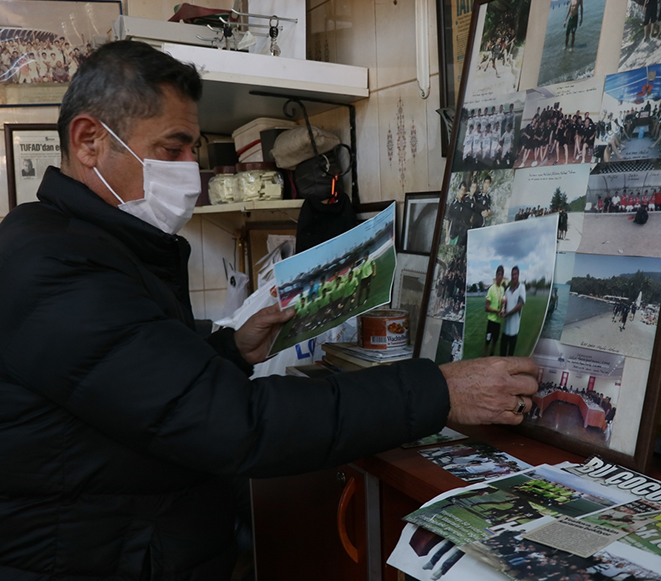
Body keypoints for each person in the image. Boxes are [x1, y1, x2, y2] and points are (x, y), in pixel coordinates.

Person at [0, 41, 540, 580]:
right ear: (90, 141)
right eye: (173, 149)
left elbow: (141, 388)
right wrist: (439, 391)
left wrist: (228, 351)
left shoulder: (87, 244)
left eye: (194, 149)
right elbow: (236, 425)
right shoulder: (56, 265)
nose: (191, 171)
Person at [501, 266, 527, 357]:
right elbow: (504, 305)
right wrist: (502, 311)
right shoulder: (507, 290)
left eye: (515, 274)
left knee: (510, 356)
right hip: (505, 329)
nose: (514, 276)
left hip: (514, 330)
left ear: (518, 275)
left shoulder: (521, 288)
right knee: (502, 355)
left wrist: (508, 313)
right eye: (512, 274)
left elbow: (520, 305)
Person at [484, 265, 507, 356]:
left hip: (498, 322)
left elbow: (502, 305)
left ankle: (491, 357)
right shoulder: (491, 289)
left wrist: (503, 309)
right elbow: (486, 307)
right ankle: (484, 358)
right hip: (491, 322)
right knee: (487, 342)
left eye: (502, 275)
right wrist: (497, 311)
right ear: (496, 275)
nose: (500, 277)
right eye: (499, 274)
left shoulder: (502, 289)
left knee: (494, 342)